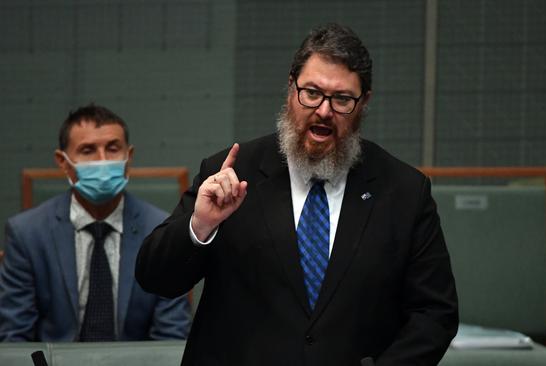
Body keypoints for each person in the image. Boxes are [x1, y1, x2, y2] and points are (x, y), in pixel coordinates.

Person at [136, 24, 458, 365]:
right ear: (291, 88)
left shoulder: (404, 191)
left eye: (342, 99)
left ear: (364, 102)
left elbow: (434, 314)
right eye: (312, 92)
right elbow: (156, 278)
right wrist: (200, 225)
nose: (323, 110)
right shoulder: (231, 171)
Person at [0, 104, 191, 342]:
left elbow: (171, 336)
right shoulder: (27, 234)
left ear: (128, 157)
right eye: (88, 150)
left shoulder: (162, 230)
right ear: (63, 161)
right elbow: (15, 337)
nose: (102, 161)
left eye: (112, 148)